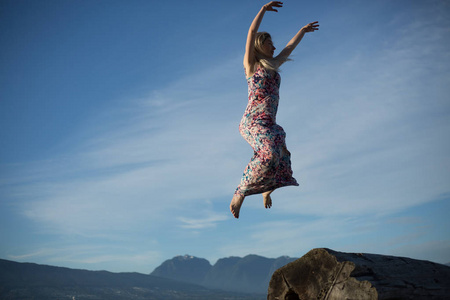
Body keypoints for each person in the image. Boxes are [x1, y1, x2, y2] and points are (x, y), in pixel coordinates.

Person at [230, 1, 319, 218]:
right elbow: (251, 33)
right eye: (270, 43)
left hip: (270, 124)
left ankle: (267, 190)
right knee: (269, 153)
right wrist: (262, 10)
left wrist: (302, 32)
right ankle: (240, 191)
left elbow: (288, 48)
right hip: (252, 122)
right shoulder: (251, 66)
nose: (274, 47)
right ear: (260, 46)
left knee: (282, 153)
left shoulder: (273, 65)